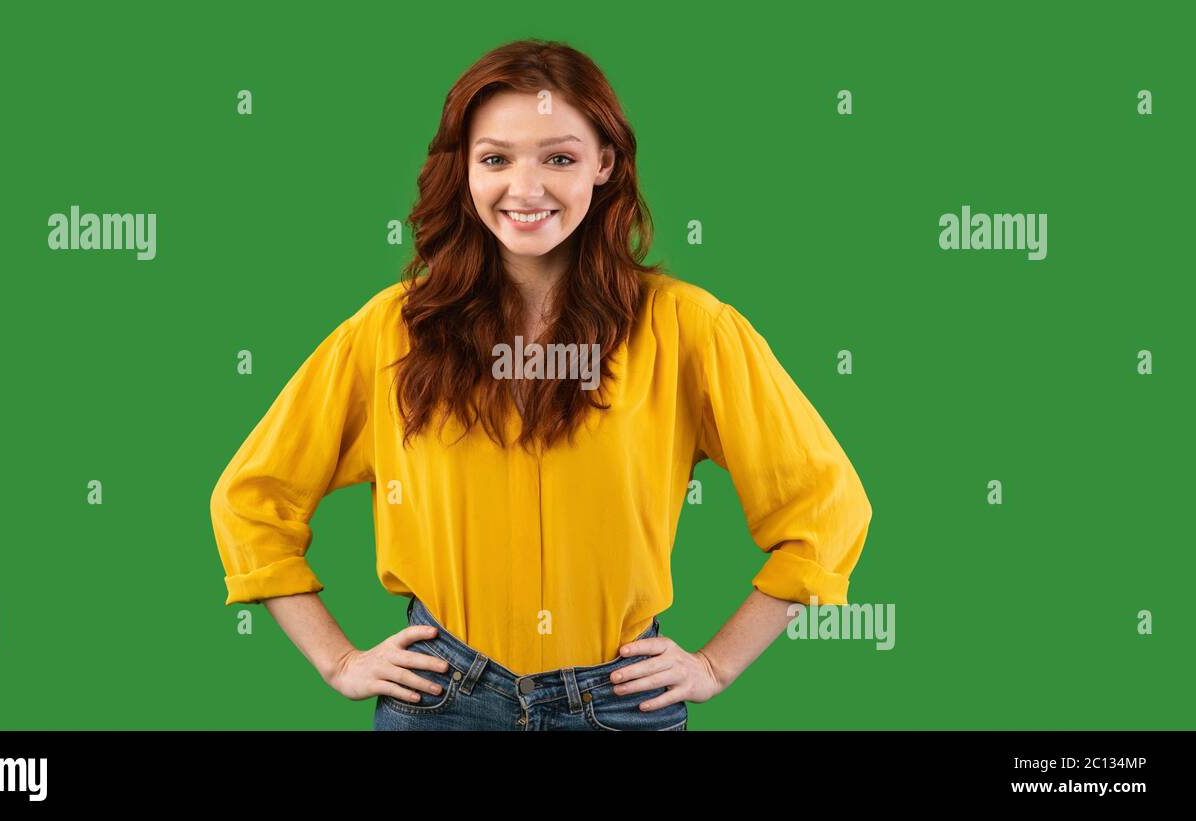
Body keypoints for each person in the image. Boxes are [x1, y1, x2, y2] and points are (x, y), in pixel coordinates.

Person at [210, 38, 873, 731]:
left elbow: (825, 508)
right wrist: (338, 660)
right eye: (495, 158)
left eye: (558, 157)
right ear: (463, 170)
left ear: (605, 164)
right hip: (441, 699)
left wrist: (715, 664)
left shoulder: (690, 329)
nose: (525, 189)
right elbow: (251, 500)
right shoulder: (390, 331)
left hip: (622, 702)